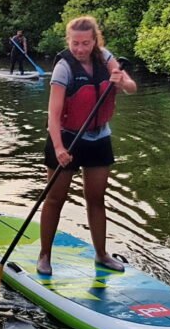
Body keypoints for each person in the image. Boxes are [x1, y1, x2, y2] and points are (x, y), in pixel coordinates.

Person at [38, 16, 136, 277]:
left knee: (96, 199)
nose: (80, 49)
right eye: (75, 43)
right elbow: (53, 114)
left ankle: (102, 254)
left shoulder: (105, 57)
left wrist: (121, 81)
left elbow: (131, 87)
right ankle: (45, 255)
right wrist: (59, 148)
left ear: (95, 41)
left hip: (98, 137)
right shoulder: (63, 68)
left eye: (85, 43)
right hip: (67, 138)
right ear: (68, 41)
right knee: (55, 198)